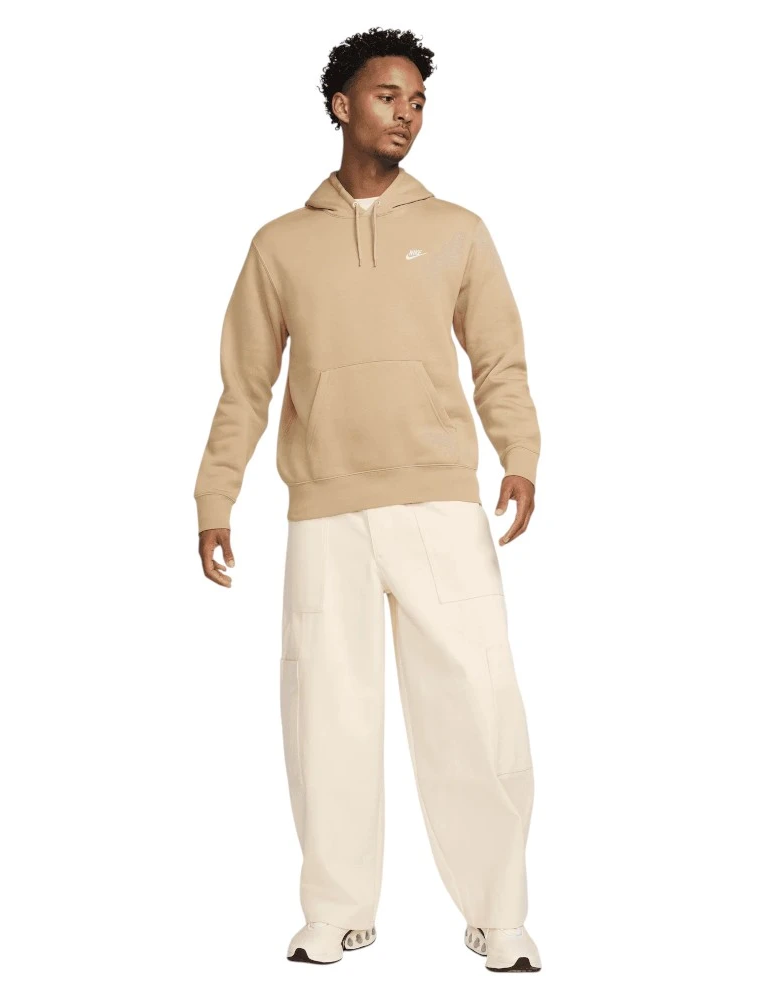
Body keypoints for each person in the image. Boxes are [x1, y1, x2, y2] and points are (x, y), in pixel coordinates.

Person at [193, 27, 542, 973]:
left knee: (476, 708)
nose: (407, 115)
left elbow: (500, 359)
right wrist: (216, 496)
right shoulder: (279, 244)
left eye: (419, 101)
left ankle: (499, 915)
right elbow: (245, 386)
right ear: (341, 105)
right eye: (389, 96)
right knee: (326, 715)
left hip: (439, 506)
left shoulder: (459, 229)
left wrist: (519, 454)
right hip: (326, 513)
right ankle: (336, 912)